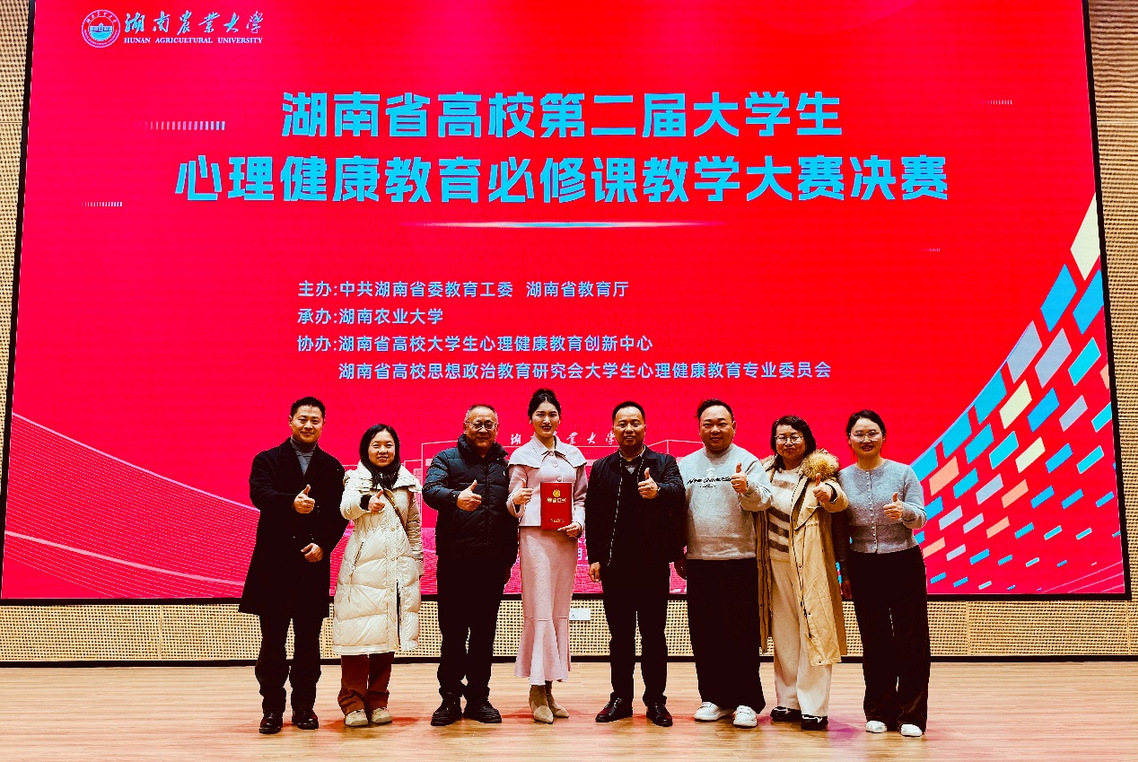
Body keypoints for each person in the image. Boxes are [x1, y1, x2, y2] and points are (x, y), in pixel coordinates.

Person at [240, 396, 347, 734]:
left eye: (315, 420)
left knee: (308, 644)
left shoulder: (332, 467)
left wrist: (324, 546)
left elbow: (339, 515)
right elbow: (259, 494)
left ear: (323, 425)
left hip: (311, 564)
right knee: (272, 643)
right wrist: (291, 503)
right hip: (273, 565)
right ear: (290, 421)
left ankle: (304, 707)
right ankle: (272, 708)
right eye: (302, 419)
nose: (308, 425)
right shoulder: (267, 459)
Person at [585, 401, 685, 727]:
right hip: (615, 567)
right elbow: (593, 515)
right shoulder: (602, 467)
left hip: (652, 566)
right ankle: (621, 699)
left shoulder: (664, 462)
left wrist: (658, 490)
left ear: (645, 427)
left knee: (654, 636)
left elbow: (678, 492)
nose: (629, 429)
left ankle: (655, 700)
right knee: (620, 638)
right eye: (622, 423)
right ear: (613, 429)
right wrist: (595, 557)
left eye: (635, 423)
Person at [835, 409, 930, 738]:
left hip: (903, 561)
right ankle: (879, 710)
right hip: (863, 565)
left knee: (911, 640)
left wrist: (904, 511)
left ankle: (912, 714)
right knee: (874, 641)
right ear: (849, 439)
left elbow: (921, 518)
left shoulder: (904, 473)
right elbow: (839, 531)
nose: (866, 439)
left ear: (883, 437)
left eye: (872, 432)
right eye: (859, 434)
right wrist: (844, 571)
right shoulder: (841, 479)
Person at [679, 398, 773, 728]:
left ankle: (747, 701)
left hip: (739, 561)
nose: (715, 429)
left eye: (722, 423)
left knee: (741, 635)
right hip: (700, 562)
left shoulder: (748, 461)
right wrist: (677, 551)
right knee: (705, 635)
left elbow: (764, 500)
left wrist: (747, 489)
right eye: (708, 424)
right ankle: (715, 698)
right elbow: (677, 511)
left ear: (734, 426)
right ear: (699, 428)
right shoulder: (686, 464)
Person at [422, 404, 517, 726]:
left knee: (483, 637)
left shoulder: (506, 466)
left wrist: (508, 558)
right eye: (477, 423)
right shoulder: (447, 459)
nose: (483, 429)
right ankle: (449, 698)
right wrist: (455, 498)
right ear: (465, 426)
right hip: (455, 564)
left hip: (492, 566)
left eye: (489, 424)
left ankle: (478, 698)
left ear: (497, 429)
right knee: (453, 635)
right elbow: (430, 491)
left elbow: (512, 514)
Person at [758, 415, 848, 731]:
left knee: (813, 632)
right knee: (783, 633)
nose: (788, 442)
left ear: (806, 439)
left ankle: (814, 707)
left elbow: (839, 501)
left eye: (794, 436)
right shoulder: (764, 471)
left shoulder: (820, 471)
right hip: (773, 564)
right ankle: (788, 701)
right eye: (781, 437)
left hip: (809, 565)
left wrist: (829, 495)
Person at [331, 424, 422, 727]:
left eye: (388, 445)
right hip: (362, 569)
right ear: (365, 449)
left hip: (398, 569)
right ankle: (352, 703)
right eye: (376, 445)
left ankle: (378, 700)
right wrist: (365, 502)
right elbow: (346, 509)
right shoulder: (355, 478)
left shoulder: (407, 482)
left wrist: (416, 566)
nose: (383, 450)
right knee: (357, 635)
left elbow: (413, 527)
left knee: (387, 637)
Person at [507, 388, 587, 723]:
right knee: (539, 611)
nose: (546, 419)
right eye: (540, 414)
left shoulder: (573, 455)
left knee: (557, 613)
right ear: (530, 419)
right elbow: (511, 500)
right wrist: (516, 500)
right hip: (535, 539)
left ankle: (550, 688)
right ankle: (536, 690)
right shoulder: (522, 455)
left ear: (560, 418)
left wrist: (578, 523)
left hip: (564, 541)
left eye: (552, 414)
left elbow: (581, 499)